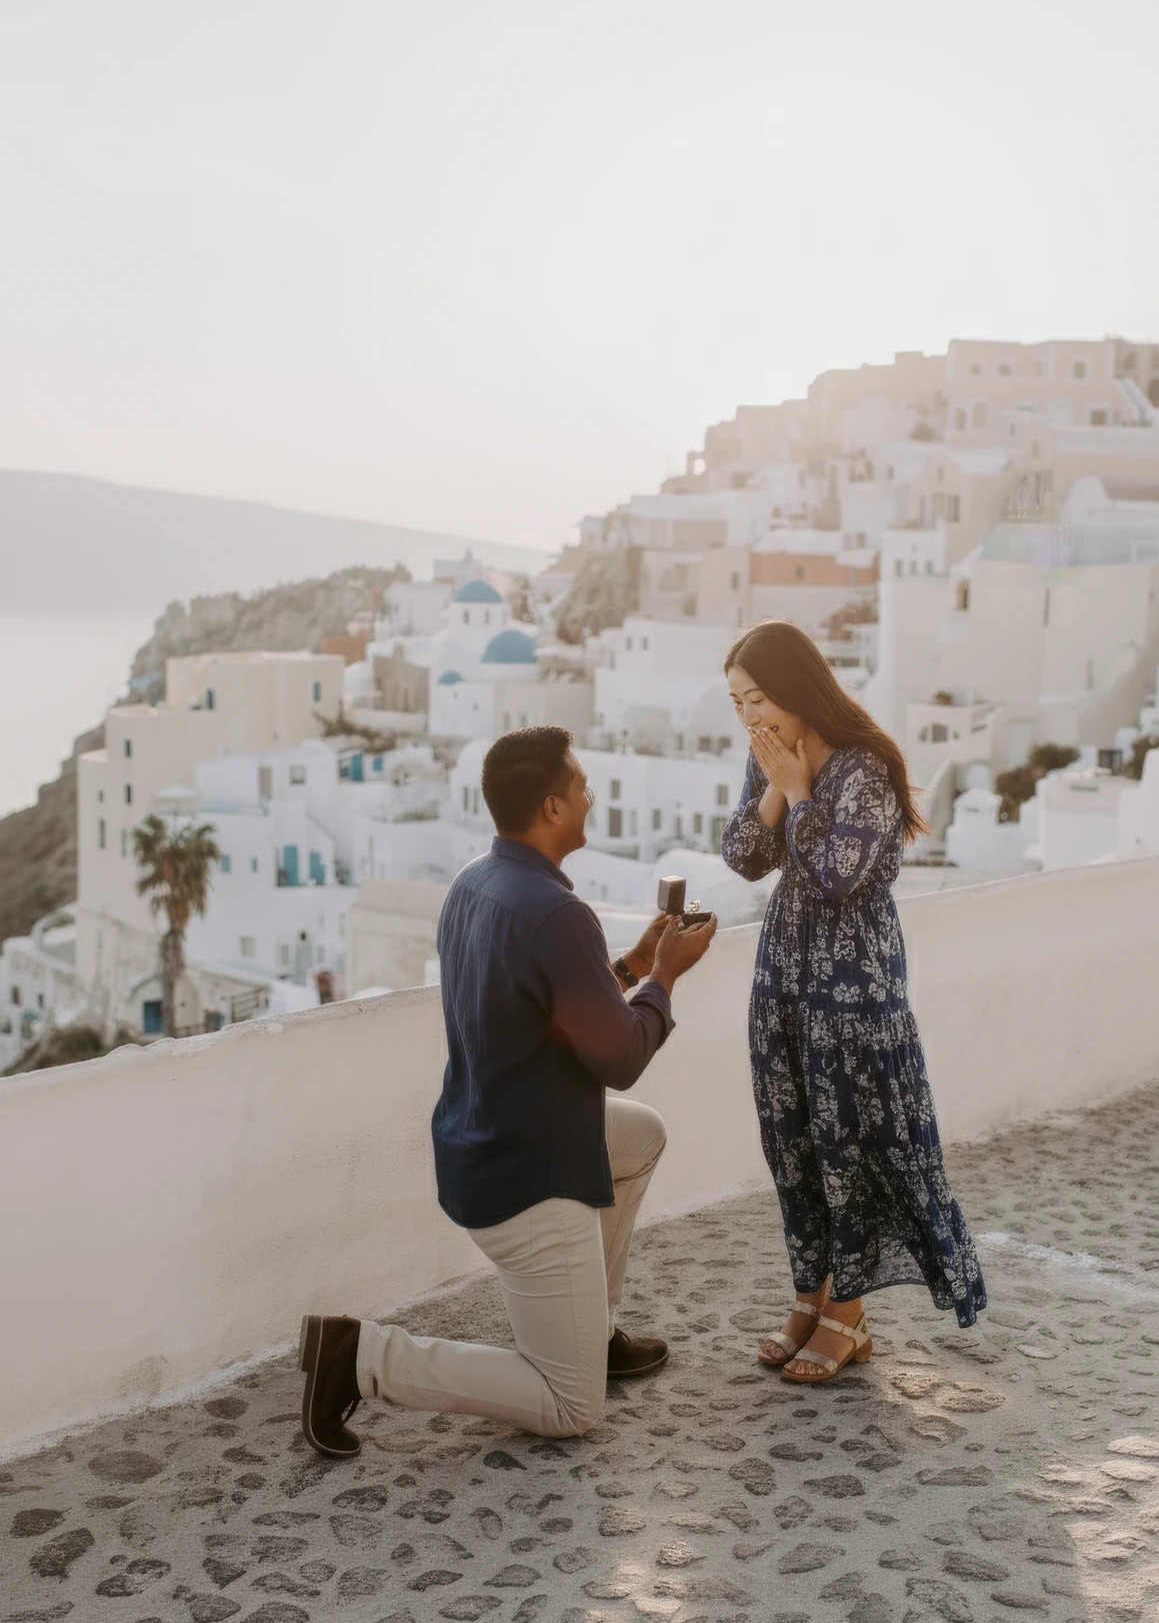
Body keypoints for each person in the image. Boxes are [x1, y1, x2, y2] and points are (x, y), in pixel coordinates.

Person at [299, 725, 717, 1454]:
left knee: (639, 1135)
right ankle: (361, 1357)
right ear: (554, 808)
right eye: (581, 784)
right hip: (531, 1178)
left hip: (480, 1145)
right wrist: (665, 978)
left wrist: (630, 964)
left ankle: (596, 1324)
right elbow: (618, 1057)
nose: (591, 794)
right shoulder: (556, 913)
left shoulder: (475, 885)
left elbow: (545, 1012)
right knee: (569, 1405)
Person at [721, 620, 985, 1384]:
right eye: (737, 703)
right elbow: (744, 857)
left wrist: (801, 793)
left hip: (853, 990)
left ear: (799, 688)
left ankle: (851, 1315)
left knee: (850, 1152)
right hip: (784, 979)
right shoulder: (766, 756)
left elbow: (837, 873)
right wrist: (776, 782)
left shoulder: (865, 767)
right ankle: (810, 1296)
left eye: (759, 698)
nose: (749, 716)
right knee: (793, 1145)